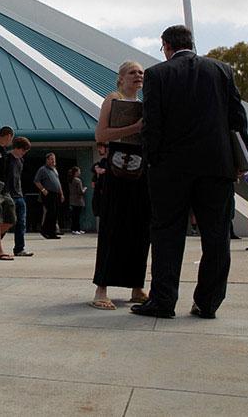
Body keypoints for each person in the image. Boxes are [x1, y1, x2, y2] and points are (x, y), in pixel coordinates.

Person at [134, 25, 248, 320]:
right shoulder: (221, 71)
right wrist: (238, 161)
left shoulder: (157, 75)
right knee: (217, 236)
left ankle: (163, 301)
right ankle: (208, 302)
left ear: (166, 45)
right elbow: (237, 119)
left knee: (167, 234)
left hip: (171, 170)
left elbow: (152, 124)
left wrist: (152, 161)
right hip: (216, 167)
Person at [90, 62, 151, 311]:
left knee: (140, 228)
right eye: (133, 72)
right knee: (113, 226)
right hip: (118, 171)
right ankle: (101, 288)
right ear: (121, 77)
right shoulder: (113, 99)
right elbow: (100, 135)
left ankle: (137, 287)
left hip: (142, 172)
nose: (138, 76)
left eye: (141, 73)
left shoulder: (147, 102)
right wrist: (134, 128)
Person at [0, 137, 31, 259]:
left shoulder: (20, 160)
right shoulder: (7, 158)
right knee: (7, 220)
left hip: (19, 193)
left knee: (21, 222)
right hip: (7, 193)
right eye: (23, 150)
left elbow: (18, 178)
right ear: (17, 148)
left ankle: (19, 248)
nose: (24, 153)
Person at [34, 153, 63, 239]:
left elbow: (58, 183)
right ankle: (44, 230)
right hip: (48, 193)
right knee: (50, 212)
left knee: (55, 213)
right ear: (47, 160)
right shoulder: (42, 169)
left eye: (54, 159)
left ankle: (52, 233)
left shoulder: (54, 170)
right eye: (51, 159)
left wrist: (61, 194)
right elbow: (36, 181)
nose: (53, 161)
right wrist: (43, 190)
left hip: (56, 193)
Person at [68, 167, 86, 234]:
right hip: (78, 200)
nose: (80, 173)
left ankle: (75, 229)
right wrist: (84, 189)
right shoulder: (78, 180)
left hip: (72, 199)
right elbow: (80, 192)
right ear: (76, 172)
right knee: (77, 215)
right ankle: (76, 229)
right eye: (79, 171)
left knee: (74, 215)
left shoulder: (70, 179)